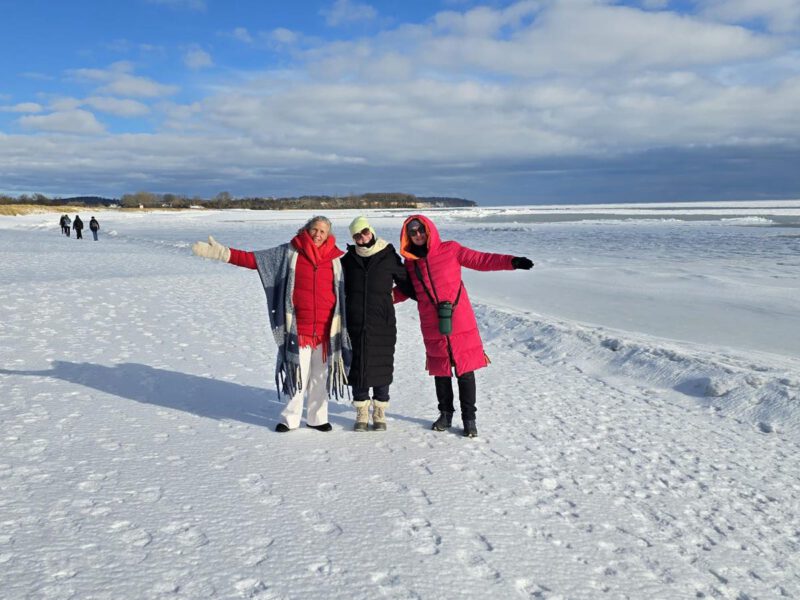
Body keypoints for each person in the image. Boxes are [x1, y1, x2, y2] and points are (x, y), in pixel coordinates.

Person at [191, 216, 351, 433]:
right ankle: (290, 419)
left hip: (327, 331)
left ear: (329, 235)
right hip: (298, 329)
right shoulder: (289, 252)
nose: (318, 234)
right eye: (315, 229)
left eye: (323, 231)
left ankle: (317, 418)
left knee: (320, 379)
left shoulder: (337, 259)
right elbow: (255, 260)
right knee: (297, 376)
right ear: (306, 229)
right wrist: (222, 253)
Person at [398, 215, 534, 437]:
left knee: (465, 371)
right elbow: (405, 291)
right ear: (407, 236)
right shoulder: (411, 263)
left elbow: (481, 260)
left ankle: (469, 419)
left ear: (429, 230)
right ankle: (445, 415)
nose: (418, 235)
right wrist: (372, 299)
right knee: (441, 371)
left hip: (459, 318)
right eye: (412, 232)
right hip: (432, 322)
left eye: (421, 230)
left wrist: (512, 261)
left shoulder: (450, 249)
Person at [341, 216, 412, 432]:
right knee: (357, 366)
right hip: (354, 322)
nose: (361, 238)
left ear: (371, 231)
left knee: (381, 365)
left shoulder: (388, 256)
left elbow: (408, 285)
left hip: (382, 322)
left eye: (364, 232)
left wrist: (390, 298)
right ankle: (362, 411)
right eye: (356, 235)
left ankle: (379, 411)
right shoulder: (347, 260)